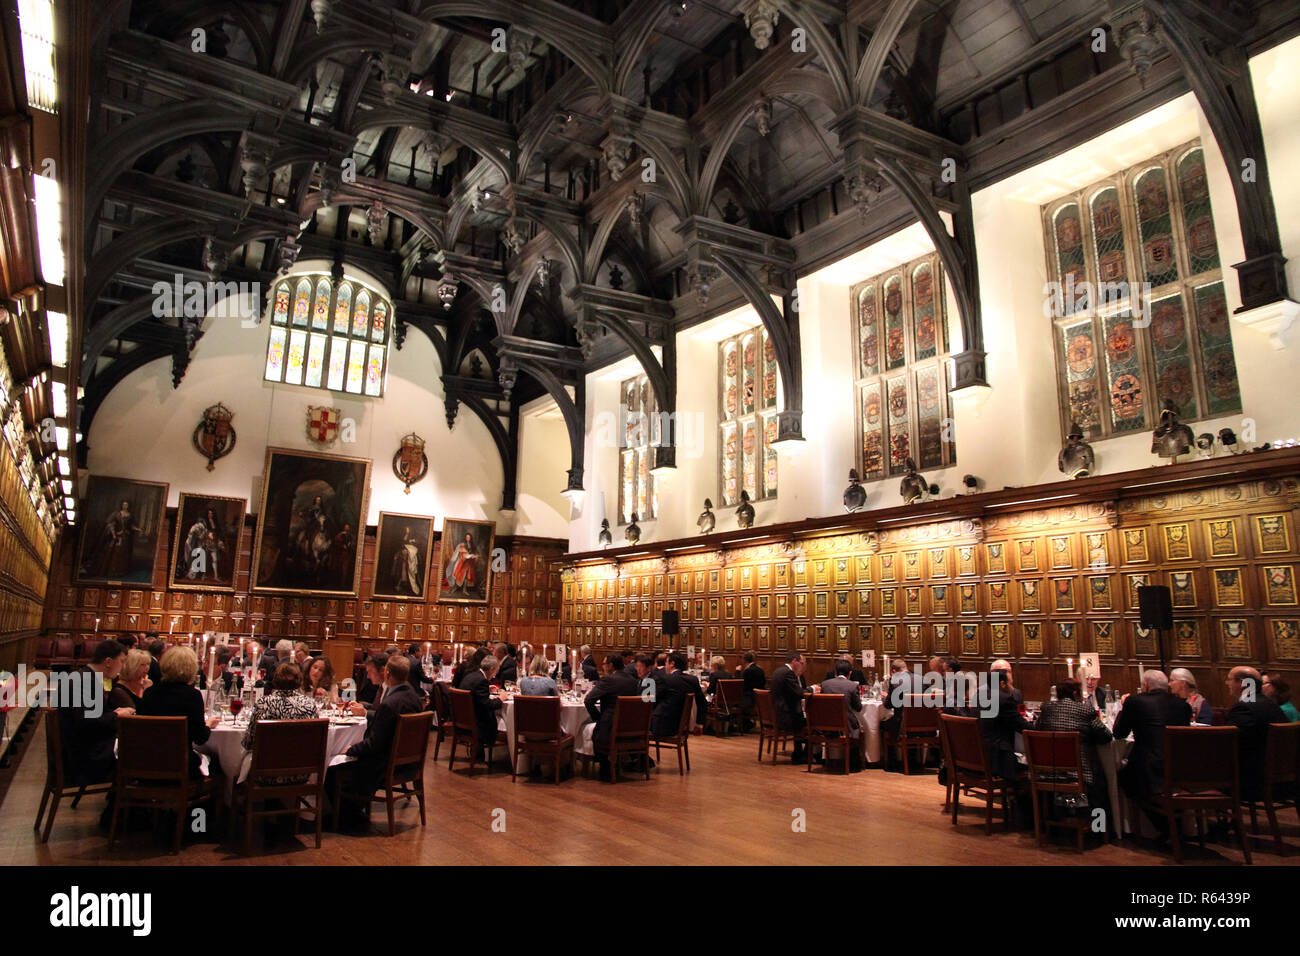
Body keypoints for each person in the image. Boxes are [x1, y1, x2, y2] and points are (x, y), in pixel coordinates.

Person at [335, 655, 423, 823]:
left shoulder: (389, 704)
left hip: (385, 764)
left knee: (337, 765)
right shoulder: (413, 697)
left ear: (387, 674)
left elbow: (375, 744)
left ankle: (342, 815)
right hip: (407, 760)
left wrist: (351, 749)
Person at [61, 639, 133, 827]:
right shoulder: (86, 681)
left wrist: (113, 713)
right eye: (122, 661)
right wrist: (117, 716)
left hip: (80, 748)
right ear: (108, 661)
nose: (123, 666)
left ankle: (120, 813)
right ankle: (118, 818)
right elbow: (86, 721)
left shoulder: (84, 677)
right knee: (136, 760)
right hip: (85, 757)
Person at [1113, 670, 1191, 832]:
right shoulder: (1183, 706)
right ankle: (1176, 822)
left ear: (1146, 686)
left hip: (1149, 769)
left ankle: (1164, 826)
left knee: (1122, 778)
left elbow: (1119, 733)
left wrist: (1123, 707)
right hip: (1180, 769)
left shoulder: (1135, 702)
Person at [138, 646, 220, 779]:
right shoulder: (192, 696)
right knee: (217, 763)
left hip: (146, 763)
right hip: (180, 767)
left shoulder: (149, 693)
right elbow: (200, 738)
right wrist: (208, 725)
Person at [1037, 677, 1113, 813]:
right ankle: (1099, 828)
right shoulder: (1084, 710)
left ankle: (1051, 824)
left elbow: (1037, 731)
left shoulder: (1046, 708)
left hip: (1049, 773)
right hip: (1078, 774)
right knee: (1102, 781)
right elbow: (1106, 737)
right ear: (1075, 693)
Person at [1224, 666, 1287, 802]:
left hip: (1253, 782)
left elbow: (1228, 744)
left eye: (1229, 679)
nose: (1226, 683)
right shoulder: (1271, 705)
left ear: (1242, 683)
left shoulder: (1244, 708)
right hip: (1283, 780)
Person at [243, 662, 320, 763]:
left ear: (275, 679)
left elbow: (249, 743)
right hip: (300, 769)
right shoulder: (309, 703)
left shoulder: (264, 703)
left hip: (267, 769)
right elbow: (315, 740)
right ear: (299, 680)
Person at [584, 652, 641, 781]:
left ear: (610, 666)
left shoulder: (608, 680)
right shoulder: (633, 680)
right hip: (631, 727)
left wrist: (598, 718)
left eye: (604, 664)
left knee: (591, 730)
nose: (603, 667)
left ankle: (604, 765)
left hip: (610, 729)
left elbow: (588, 700)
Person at [980, 660, 1030, 781]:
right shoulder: (1003, 699)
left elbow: (1018, 714)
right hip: (1000, 757)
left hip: (983, 753)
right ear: (1002, 683)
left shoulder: (980, 696)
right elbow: (1022, 726)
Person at [820, 659, 864, 767]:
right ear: (850, 673)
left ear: (835, 672)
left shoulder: (825, 684)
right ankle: (854, 761)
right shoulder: (852, 686)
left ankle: (830, 759)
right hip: (847, 726)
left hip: (826, 725)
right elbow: (858, 708)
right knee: (859, 725)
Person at [653, 652, 706, 739]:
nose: (665, 666)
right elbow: (702, 703)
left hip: (662, 726)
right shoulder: (693, 680)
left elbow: (653, 700)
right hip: (683, 727)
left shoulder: (665, 679)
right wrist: (699, 724)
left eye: (666, 663)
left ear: (672, 664)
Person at [460, 655, 504, 760]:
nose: (495, 675)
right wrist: (501, 699)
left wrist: (486, 689)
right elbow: (488, 705)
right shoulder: (481, 681)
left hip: (463, 721)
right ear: (491, 669)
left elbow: (474, 693)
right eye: (496, 671)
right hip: (477, 725)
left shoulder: (471, 676)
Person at [770, 651, 810, 763]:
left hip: (778, 713)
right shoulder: (788, 673)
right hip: (785, 716)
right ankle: (802, 754)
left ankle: (801, 752)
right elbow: (799, 693)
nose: (803, 666)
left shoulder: (779, 671)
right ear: (794, 661)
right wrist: (813, 689)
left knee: (804, 718)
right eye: (802, 663)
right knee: (812, 722)